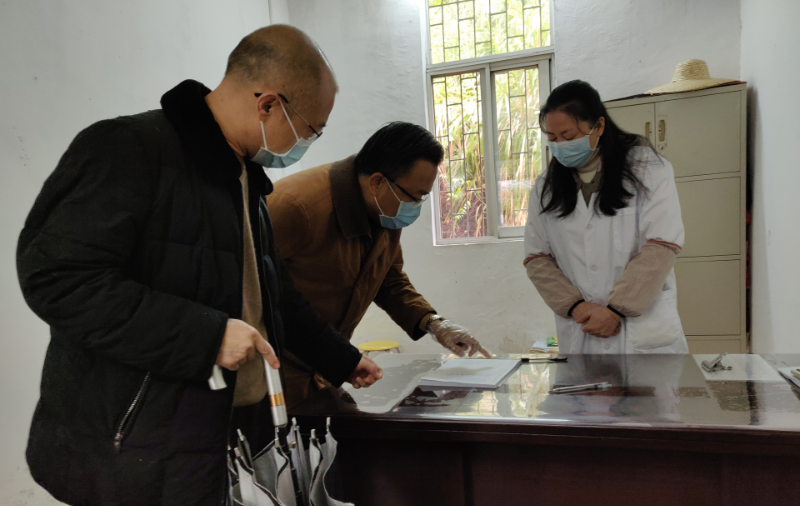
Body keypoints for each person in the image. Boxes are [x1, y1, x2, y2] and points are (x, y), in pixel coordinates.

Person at [16, 25, 382, 506]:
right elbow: (57, 278)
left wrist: (342, 358)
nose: (306, 143)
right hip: (162, 434)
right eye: (311, 129)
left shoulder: (244, 177)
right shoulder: (130, 149)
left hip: (236, 426)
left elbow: (272, 294)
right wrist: (206, 336)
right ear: (268, 103)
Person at [267, 122, 490, 407]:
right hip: (274, 372)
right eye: (415, 196)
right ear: (377, 182)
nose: (416, 205)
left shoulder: (384, 211)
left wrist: (434, 323)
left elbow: (388, 279)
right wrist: (341, 358)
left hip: (324, 366)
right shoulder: (294, 207)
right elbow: (263, 295)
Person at [523, 80, 688, 354]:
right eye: (552, 138)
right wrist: (577, 307)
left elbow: (661, 246)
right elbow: (537, 258)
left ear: (598, 126)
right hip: (582, 325)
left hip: (642, 331)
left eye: (568, 136)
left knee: (650, 383)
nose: (560, 145)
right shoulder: (546, 188)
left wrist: (615, 310)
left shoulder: (647, 168)